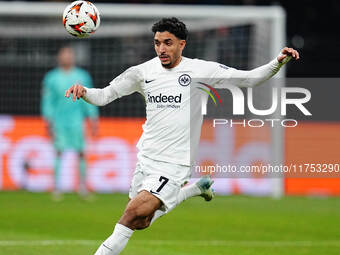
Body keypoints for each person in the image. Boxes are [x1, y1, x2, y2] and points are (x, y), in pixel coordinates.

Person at [65, 17, 299, 255]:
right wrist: (85, 92)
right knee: (141, 222)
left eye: (168, 43)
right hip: (146, 158)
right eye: (157, 43)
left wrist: (277, 62)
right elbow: (105, 95)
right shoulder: (142, 72)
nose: (161, 49)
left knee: (132, 214)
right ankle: (195, 189)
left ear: (182, 44)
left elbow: (248, 79)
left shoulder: (201, 70)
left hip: (175, 163)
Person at [41, 46, 98, 200]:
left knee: (81, 153)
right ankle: (56, 187)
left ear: (73, 57)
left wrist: (93, 118)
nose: (66, 57)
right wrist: (48, 120)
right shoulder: (51, 78)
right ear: (59, 57)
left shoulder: (82, 76)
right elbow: (48, 101)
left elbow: (89, 99)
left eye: (69, 55)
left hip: (77, 121)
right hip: (59, 121)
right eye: (63, 55)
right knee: (58, 152)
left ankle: (82, 187)